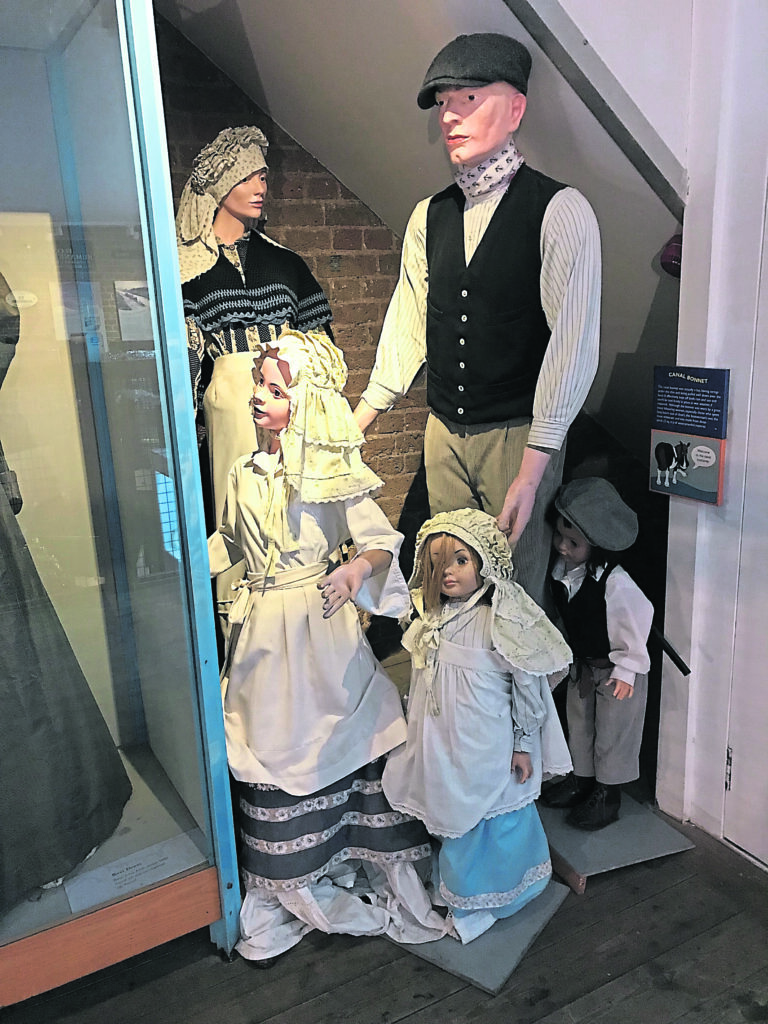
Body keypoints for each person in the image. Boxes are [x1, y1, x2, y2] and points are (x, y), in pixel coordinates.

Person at [207, 330, 449, 962]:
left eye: (274, 388)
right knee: (271, 737)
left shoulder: (327, 478)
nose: (259, 397)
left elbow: (378, 540)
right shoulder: (242, 474)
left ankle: (353, 849)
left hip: (318, 622)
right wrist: (182, 569)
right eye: (259, 385)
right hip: (263, 628)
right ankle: (289, 875)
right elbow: (230, 545)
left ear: (304, 402)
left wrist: (352, 571)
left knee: (340, 732)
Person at [354, 33, 601, 608]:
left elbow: (573, 348)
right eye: (444, 102)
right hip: (443, 433)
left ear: (515, 108)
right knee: (450, 587)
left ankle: (521, 700)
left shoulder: (560, 211)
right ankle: (454, 695)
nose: (450, 116)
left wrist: (533, 469)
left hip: (520, 436)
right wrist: (355, 423)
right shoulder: (428, 216)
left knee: (515, 597)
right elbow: (409, 325)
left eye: (469, 99)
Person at [382, 507, 572, 943]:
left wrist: (523, 742)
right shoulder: (433, 617)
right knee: (456, 814)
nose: (447, 572)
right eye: (436, 563)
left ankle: (502, 895)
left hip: (487, 741)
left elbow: (527, 683)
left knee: (495, 816)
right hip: (447, 741)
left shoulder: (497, 620)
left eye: (460, 560)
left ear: (484, 562)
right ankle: (466, 893)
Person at [176, 125, 334, 626]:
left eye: (264, 176)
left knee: (291, 511)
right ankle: (238, 631)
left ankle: (296, 615)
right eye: (250, 176)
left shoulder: (286, 265)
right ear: (222, 185)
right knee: (233, 514)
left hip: (286, 406)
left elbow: (324, 346)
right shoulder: (188, 272)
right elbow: (181, 369)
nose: (262, 187)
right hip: (224, 415)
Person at [541, 477, 653, 830]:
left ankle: (608, 792)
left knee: (613, 732)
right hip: (584, 669)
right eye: (560, 536)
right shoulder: (563, 574)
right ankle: (581, 779)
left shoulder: (615, 584)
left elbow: (634, 625)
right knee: (580, 725)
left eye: (573, 542)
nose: (562, 546)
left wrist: (627, 669)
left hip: (616, 670)